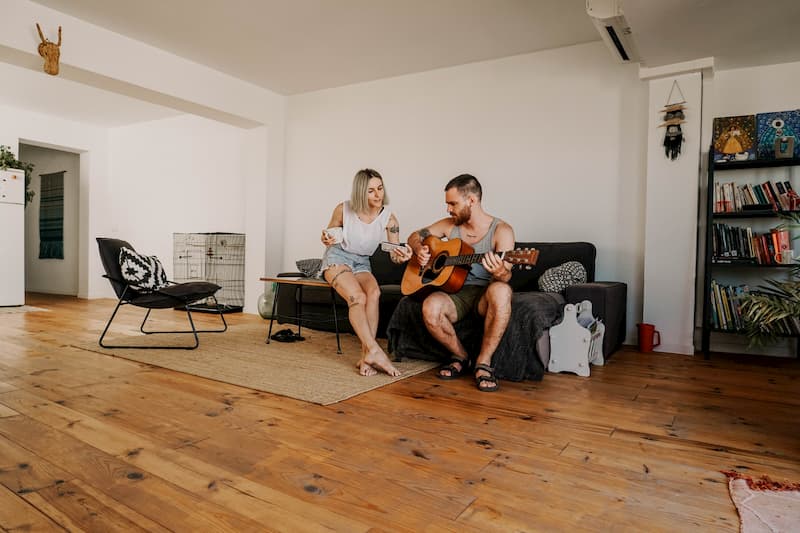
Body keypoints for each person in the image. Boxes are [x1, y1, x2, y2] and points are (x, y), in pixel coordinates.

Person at [406, 174, 515, 392]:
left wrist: (500, 271)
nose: (448, 209)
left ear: (472, 201)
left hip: (485, 294)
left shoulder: (502, 231)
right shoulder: (449, 226)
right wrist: (419, 250)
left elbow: (506, 276)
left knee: (502, 290)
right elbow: (414, 236)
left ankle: (483, 363)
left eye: (453, 203)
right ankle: (461, 355)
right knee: (430, 306)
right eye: (447, 203)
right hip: (455, 291)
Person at [320, 168, 412, 377]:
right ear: (361, 192)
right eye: (371, 191)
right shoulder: (343, 209)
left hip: (362, 262)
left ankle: (366, 356)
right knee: (357, 297)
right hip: (337, 258)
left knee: (374, 293)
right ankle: (375, 351)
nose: (378, 195)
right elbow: (329, 235)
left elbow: (394, 255)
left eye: (380, 188)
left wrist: (402, 255)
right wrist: (325, 237)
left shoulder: (390, 220)